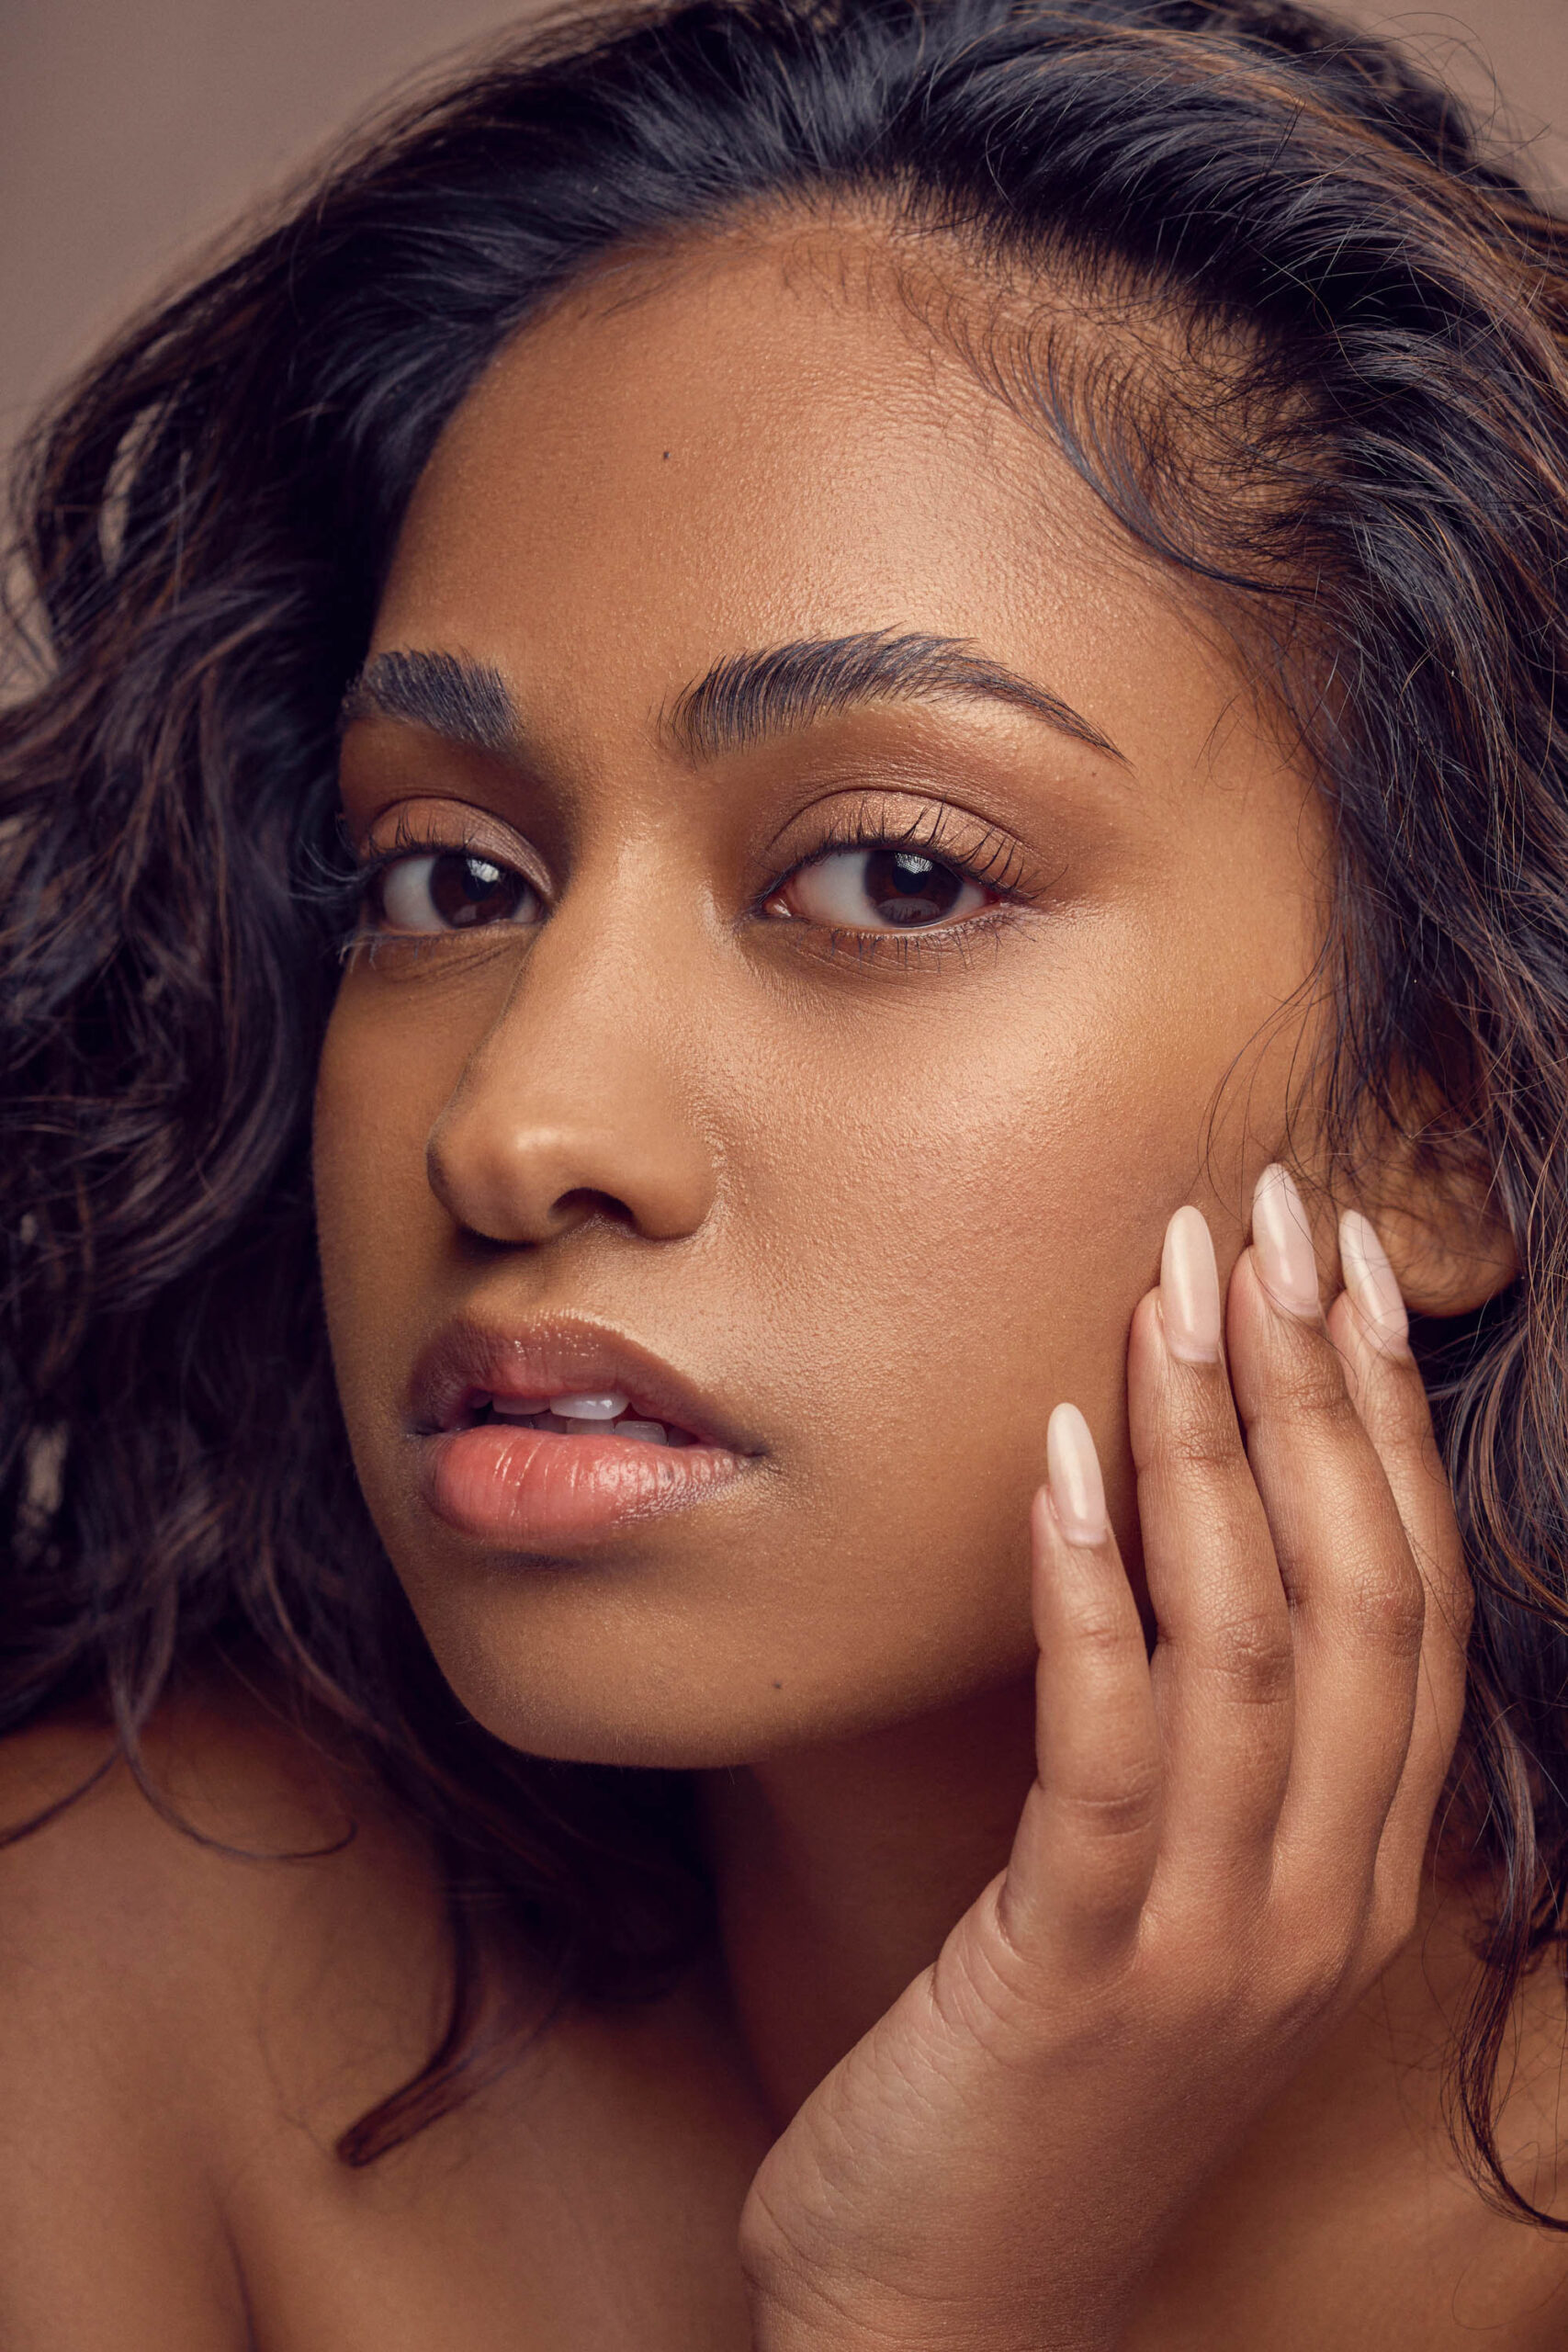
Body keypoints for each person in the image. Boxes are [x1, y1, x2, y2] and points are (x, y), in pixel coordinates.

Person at [4, 0, 1568, 2339]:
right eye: (446, 878)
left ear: (1445, 1100)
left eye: (890, 875)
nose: (514, 1126)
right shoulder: (110, 1978)